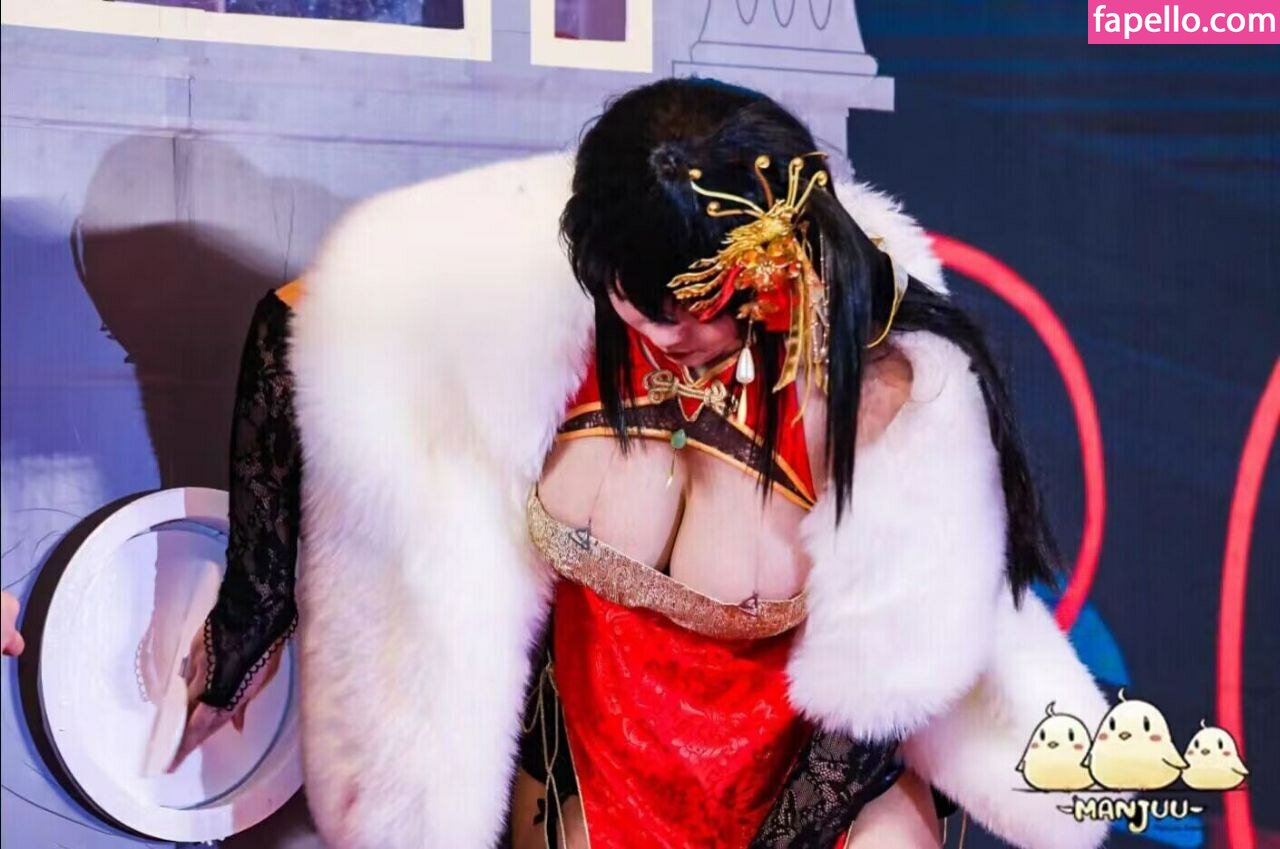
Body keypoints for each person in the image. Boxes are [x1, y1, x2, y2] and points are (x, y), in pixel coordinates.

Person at [177, 78, 1109, 848]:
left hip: (811, 791)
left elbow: (870, 710)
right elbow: (311, 322)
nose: (671, 338)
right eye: (643, 305)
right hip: (599, 764)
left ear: (773, 267)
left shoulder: (883, 391)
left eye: (701, 310)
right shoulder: (552, 292)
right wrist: (246, 624)